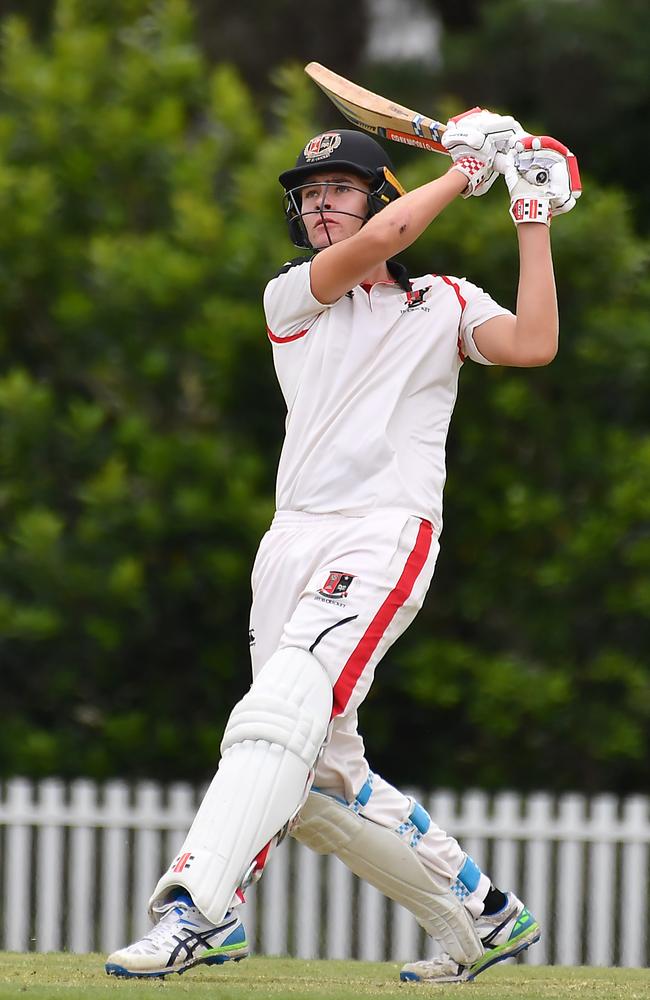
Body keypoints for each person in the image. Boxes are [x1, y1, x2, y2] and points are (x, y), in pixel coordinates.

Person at [104, 111, 580, 984]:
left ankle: (198, 908)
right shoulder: (295, 296)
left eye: (340, 191)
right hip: (290, 540)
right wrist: (467, 172)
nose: (321, 207)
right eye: (310, 195)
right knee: (319, 778)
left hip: (383, 531)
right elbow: (391, 234)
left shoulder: (445, 303)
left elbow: (535, 343)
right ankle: (480, 916)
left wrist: (530, 215)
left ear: (379, 195)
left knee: (277, 714)